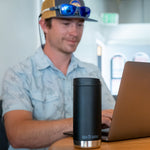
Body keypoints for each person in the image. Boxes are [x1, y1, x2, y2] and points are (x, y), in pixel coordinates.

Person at [1, 0, 115, 149]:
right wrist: (84, 122)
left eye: (80, 24)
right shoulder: (18, 75)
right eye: (66, 23)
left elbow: (114, 120)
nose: (74, 32)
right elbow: (18, 135)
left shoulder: (91, 72)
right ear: (44, 26)